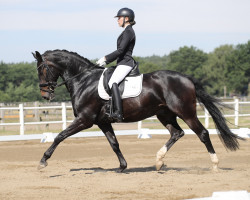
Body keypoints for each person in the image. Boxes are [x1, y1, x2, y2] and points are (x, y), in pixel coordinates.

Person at [96, 7, 136, 122]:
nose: (117, 20)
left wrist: (106, 59)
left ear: (126, 19)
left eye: (119, 18)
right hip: (121, 63)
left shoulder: (129, 32)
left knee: (113, 82)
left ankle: (118, 112)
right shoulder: (125, 32)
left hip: (126, 63)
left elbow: (121, 51)